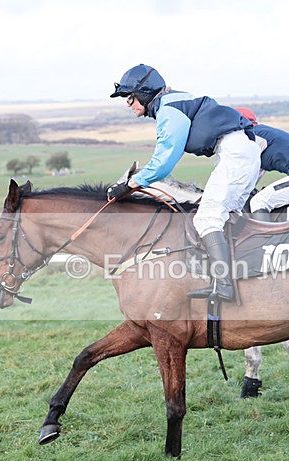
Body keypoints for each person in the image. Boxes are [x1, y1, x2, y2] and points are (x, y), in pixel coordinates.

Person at [107, 64, 261, 301]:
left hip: (235, 152)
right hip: (241, 151)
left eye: (130, 99)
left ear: (145, 93)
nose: (130, 106)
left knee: (207, 218)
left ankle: (224, 287)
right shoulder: (175, 100)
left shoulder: (169, 110)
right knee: (227, 216)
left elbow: (163, 162)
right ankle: (245, 278)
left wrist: (129, 185)